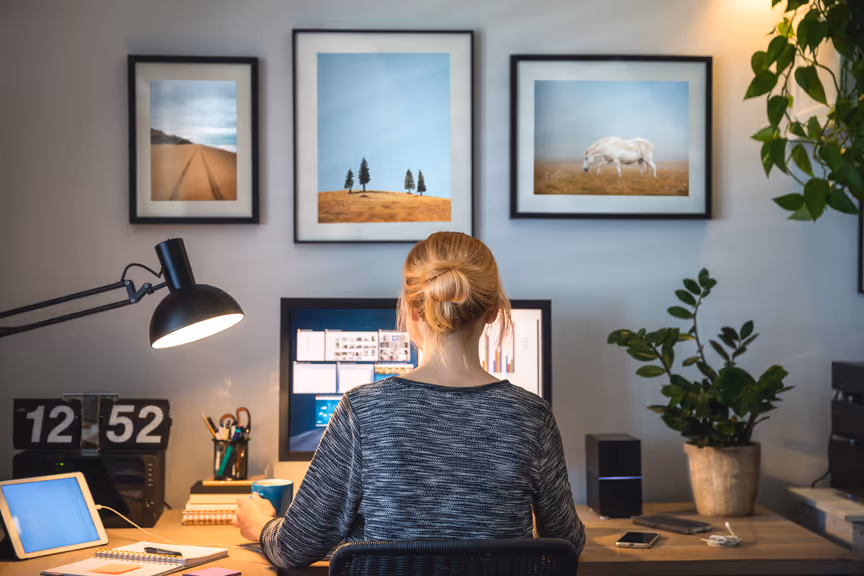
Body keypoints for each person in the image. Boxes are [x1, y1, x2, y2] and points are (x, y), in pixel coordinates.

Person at [234, 231, 585, 568]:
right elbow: (567, 542)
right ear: (493, 311)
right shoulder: (532, 415)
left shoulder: (362, 410)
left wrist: (262, 525)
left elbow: (295, 548)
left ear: (412, 311)